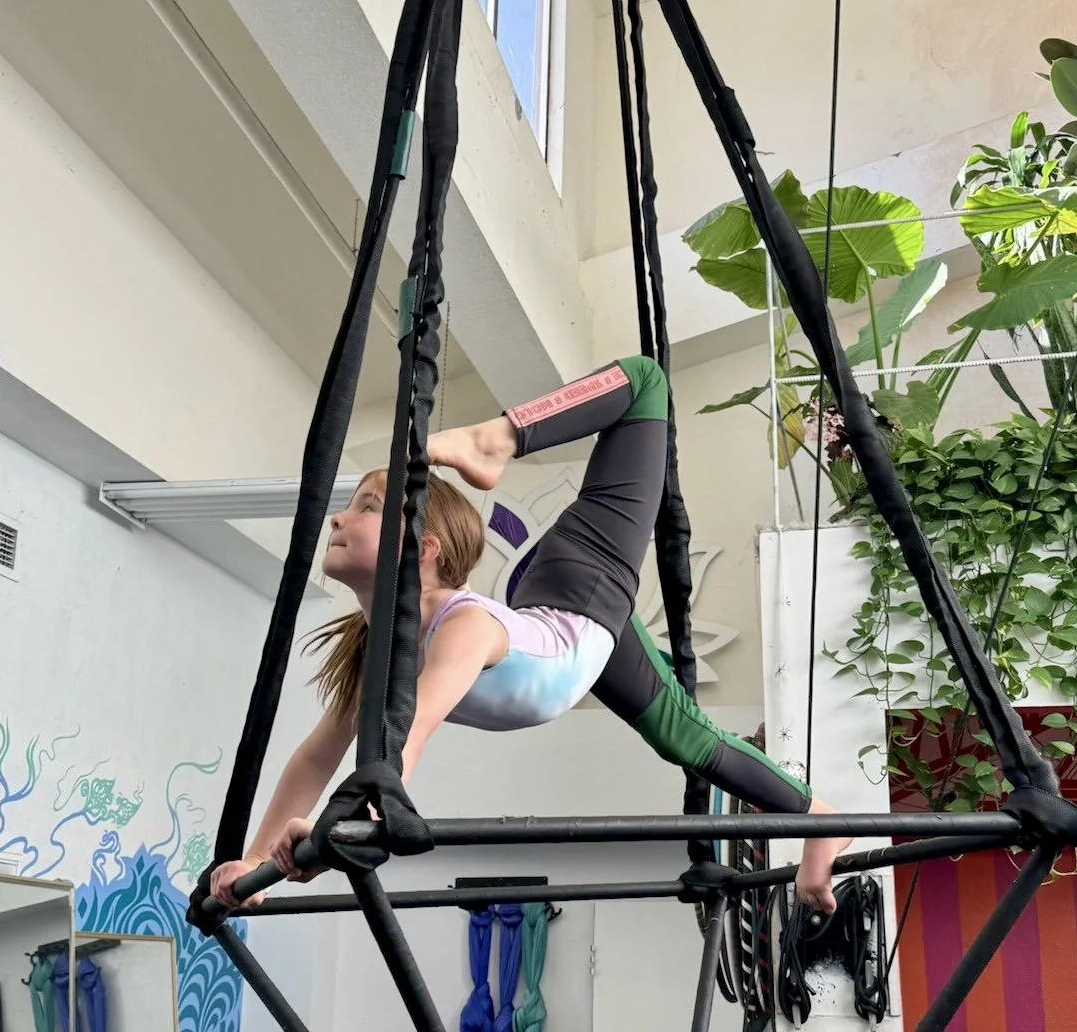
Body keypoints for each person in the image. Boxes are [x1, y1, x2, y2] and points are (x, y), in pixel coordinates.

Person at [210, 358, 849, 912]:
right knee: (685, 738)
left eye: (369, 507)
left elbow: (417, 725)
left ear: (423, 548)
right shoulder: (377, 663)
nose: (340, 519)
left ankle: (496, 439)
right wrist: (256, 864)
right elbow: (316, 758)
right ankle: (819, 816)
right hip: (569, 629)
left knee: (645, 383)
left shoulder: (464, 625)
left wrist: (351, 819)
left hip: (578, 583)